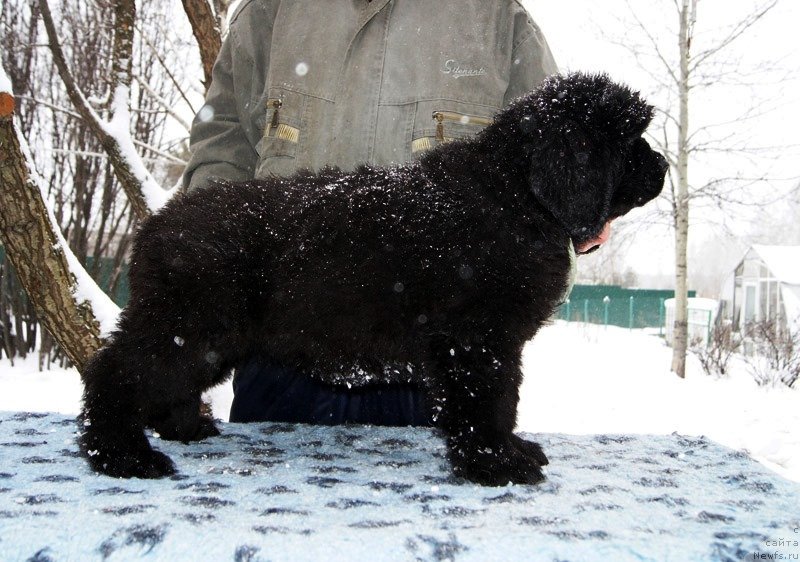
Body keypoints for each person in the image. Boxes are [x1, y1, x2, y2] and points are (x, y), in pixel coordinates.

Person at [182, 0, 559, 426]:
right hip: (279, 355)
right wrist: (206, 277)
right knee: (266, 492)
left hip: (432, 372)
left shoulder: (499, 21)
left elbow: (551, 170)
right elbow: (223, 147)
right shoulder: (270, 12)